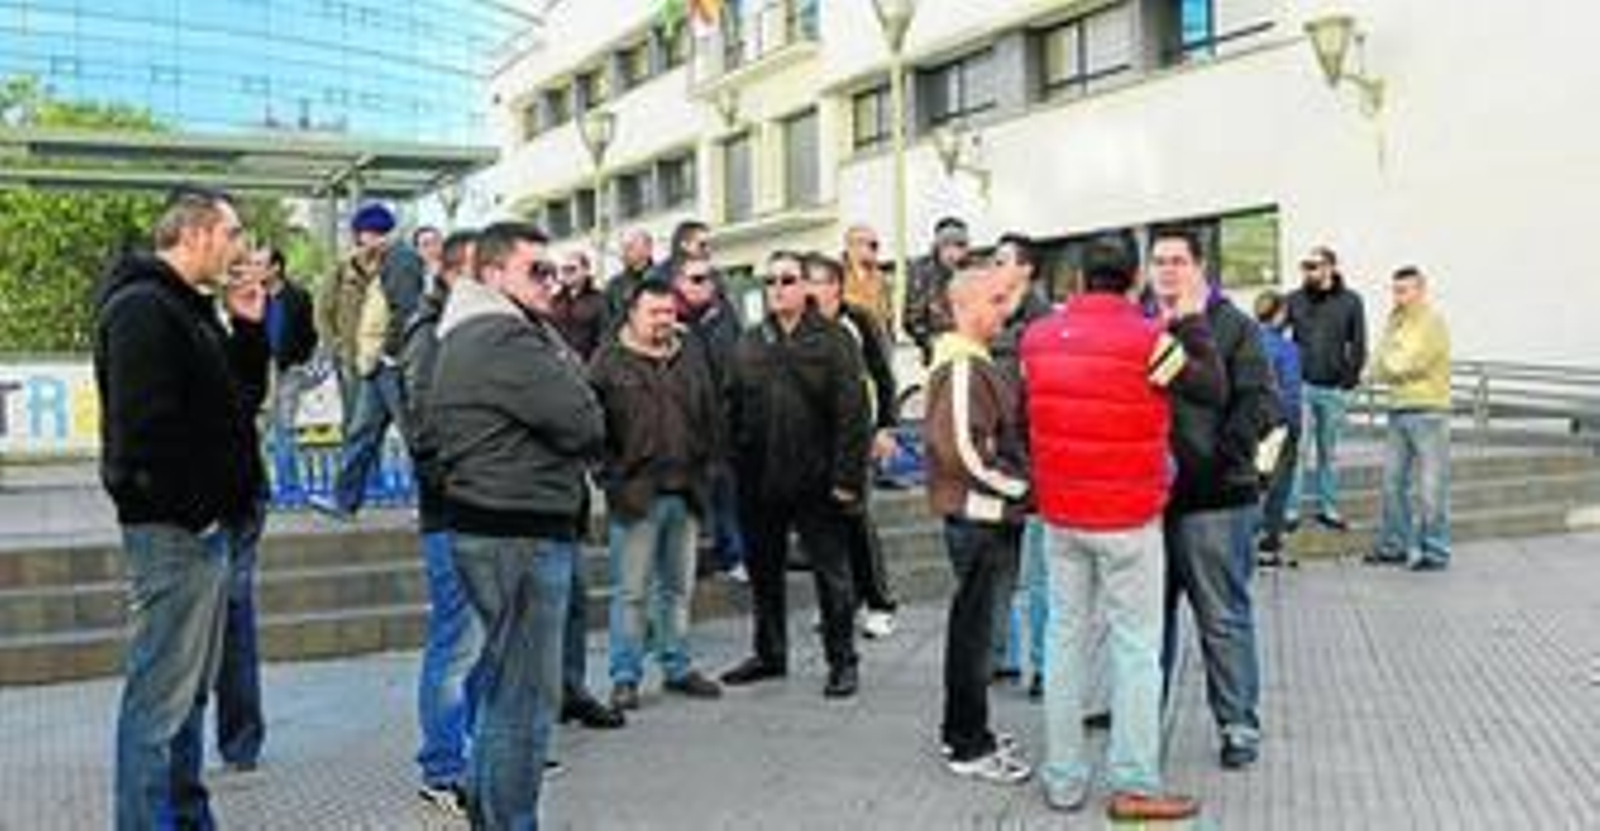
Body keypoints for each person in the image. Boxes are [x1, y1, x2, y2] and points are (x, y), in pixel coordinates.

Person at [1022, 233, 1218, 821]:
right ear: (1133, 280)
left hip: (1061, 515)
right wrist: (1190, 320)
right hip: (1129, 518)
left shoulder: (1037, 340)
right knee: (1135, 649)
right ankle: (1133, 781)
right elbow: (1210, 389)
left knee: (1064, 641)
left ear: (1078, 281)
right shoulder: (1150, 340)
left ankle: (1063, 778)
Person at [95, 186, 266, 830]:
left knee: (186, 696)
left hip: (202, 531)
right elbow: (142, 436)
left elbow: (238, 403)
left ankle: (187, 817)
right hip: (174, 535)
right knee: (158, 701)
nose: (239, 248)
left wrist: (247, 327)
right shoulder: (144, 309)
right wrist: (199, 511)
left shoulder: (189, 309)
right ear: (195, 234)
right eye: (232, 233)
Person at [430, 221, 605, 830]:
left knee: (506, 690)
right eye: (537, 271)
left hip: (495, 523)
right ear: (492, 273)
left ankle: (489, 813)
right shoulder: (501, 336)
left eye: (555, 271)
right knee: (525, 704)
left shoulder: (473, 330)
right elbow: (584, 420)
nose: (551, 284)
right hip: (520, 531)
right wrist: (571, 375)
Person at [720, 251, 872, 698]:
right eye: (770, 281)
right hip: (759, 480)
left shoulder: (833, 341)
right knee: (764, 573)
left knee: (833, 575)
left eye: (787, 280)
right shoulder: (749, 341)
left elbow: (852, 414)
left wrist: (847, 479)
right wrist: (732, 463)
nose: (778, 289)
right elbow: (729, 407)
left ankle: (842, 662)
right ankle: (769, 654)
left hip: (818, 481)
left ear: (806, 287)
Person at [1151, 228, 1274, 772]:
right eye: (1159, 262)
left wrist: (1219, 461)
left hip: (1216, 503)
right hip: (1150, 505)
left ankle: (1238, 723)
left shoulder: (1235, 327)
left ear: (1201, 267)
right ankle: (1139, 718)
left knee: (1222, 619)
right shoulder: (1142, 326)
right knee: (1147, 622)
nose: (1168, 271)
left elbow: (1261, 403)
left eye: (1178, 261)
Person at [923, 260, 1034, 785]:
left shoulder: (972, 361)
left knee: (975, 633)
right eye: (994, 299)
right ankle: (967, 743)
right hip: (979, 519)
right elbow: (963, 450)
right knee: (973, 637)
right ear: (962, 307)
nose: (1004, 308)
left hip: (984, 517)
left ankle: (967, 731)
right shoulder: (964, 366)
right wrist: (1021, 489)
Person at [591, 280, 725, 710]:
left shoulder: (690, 355)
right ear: (632, 312)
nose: (664, 320)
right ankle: (625, 676)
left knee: (677, 590)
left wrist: (709, 464)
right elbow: (591, 428)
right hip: (634, 495)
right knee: (631, 593)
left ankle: (677, 666)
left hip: (686, 492)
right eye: (655, 312)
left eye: (670, 312)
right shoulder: (608, 361)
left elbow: (710, 412)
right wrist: (608, 476)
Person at [399, 229, 483, 818]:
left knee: (480, 642)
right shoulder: (429, 338)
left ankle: (479, 752)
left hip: (485, 509)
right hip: (453, 510)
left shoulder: (474, 332)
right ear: (457, 275)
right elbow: (426, 434)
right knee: (455, 642)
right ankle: (443, 767)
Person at [803, 253, 900, 639]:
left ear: (835, 287)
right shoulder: (799, 326)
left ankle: (879, 602)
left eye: (816, 281)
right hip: (811, 441)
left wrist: (885, 427)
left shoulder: (858, 321)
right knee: (821, 527)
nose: (808, 290)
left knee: (856, 520)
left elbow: (883, 377)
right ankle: (837, 602)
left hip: (856, 436)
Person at [310, 203, 425, 520]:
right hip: (376, 366)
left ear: (370, 233)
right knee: (361, 433)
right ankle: (344, 501)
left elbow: (406, 312)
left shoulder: (401, 261)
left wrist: (386, 353)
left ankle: (433, 504)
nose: (359, 243)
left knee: (414, 436)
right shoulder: (388, 260)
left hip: (392, 365)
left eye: (360, 237)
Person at [987, 233, 1054, 693]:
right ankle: (1004, 656)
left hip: (1033, 463)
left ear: (1026, 270)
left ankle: (1044, 666)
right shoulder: (989, 316)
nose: (994, 267)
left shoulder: (1043, 323)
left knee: (1038, 576)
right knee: (1001, 569)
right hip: (996, 461)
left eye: (1001, 260)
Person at [1366, 266, 1453, 571]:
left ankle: (1436, 551)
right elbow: (1378, 364)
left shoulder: (1432, 322)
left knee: (1432, 486)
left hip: (1428, 411)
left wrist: (1391, 361)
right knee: (1392, 483)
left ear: (1420, 290)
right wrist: (1386, 362)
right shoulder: (1396, 321)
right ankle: (1395, 546)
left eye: (1404, 290)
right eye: (1395, 290)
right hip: (1398, 410)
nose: (1398, 296)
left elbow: (1410, 363)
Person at [672, 255, 748, 581]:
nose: (706, 285)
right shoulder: (668, 318)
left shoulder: (725, 315)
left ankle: (733, 555)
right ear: (678, 283)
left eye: (709, 278)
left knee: (727, 490)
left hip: (725, 420)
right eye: (696, 279)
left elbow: (739, 365)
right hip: (683, 423)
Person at [1286, 245, 1367, 531]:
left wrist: (1348, 383)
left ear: (1331, 267)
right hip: (1302, 387)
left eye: (1314, 266)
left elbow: (1358, 345)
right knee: (1297, 452)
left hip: (1334, 390)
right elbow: (1276, 334)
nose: (1308, 271)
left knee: (1328, 453)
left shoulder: (1351, 301)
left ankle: (1328, 508)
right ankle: (1291, 512)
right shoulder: (1293, 300)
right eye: (1305, 266)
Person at [258, 245, 319, 503]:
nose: (256, 268)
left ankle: (289, 486)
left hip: (288, 371)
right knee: (257, 430)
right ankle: (259, 488)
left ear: (276, 267)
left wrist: (300, 362)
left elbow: (310, 334)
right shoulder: (252, 294)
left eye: (261, 263)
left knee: (285, 428)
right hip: (258, 370)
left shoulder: (299, 297)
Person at [1254, 289, 1303, 566]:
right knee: (1278, 485)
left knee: (1253, 483)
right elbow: (1292, 393)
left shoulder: (1245, 342)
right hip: (1279, 426)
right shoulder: (1287, 349)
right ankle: (1269, 544)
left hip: (1249, 425)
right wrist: (1294, 428)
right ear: (1279, 315)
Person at [904, 216, 971, 363]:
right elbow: (912, 319)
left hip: (970, 352)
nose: (952, 253)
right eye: (946, 245)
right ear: (938, 247)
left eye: (959, 246)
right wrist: (933, 343)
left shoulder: (973, 273)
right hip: (937, 355)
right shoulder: (922, 274)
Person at [552, 250, 606, 361]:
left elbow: (605, 339)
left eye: (572, 269)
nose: (567, 273)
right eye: (564, 270)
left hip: (589, 366)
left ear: (585, 270)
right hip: (560, 365)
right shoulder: (554, 302)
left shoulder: (599, 300)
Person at [842, 223, 893, 334]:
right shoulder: (838, 276)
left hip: (877, 340)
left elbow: (887, 315)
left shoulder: (881, 278)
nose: (875, 250)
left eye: (876, 245)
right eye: (871, 245)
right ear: (852, 246)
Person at [604, 227, 656, 326]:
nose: (623, 253)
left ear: (648, 248)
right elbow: (607, 324)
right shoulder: (614, 286)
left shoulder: (664, 277)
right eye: (622, 248)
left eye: (629, 247)